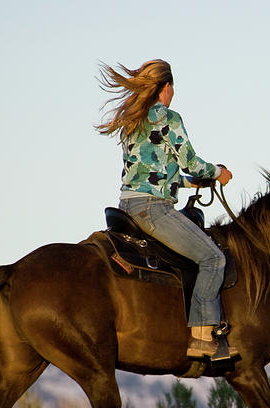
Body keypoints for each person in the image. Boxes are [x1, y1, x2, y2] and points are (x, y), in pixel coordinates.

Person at [96, 59, 236, 361]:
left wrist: (188, 184)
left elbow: (153, 171)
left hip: (129, 205)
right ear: (166, 87)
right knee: (213, 258)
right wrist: (217, 173)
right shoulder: (169, 118)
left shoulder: (133, 120)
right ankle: (201, 337)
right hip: (154, 209)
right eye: (173, 88)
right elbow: (192, 162)